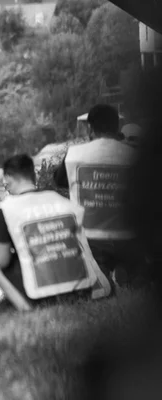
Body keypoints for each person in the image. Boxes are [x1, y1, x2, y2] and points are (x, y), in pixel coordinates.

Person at [0, 154, 111, 311]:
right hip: (83, 290)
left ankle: (26, 309)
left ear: (8, 177)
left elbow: (2, 260)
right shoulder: (61, 200)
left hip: (42, 296)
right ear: (33, 176)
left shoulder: (7, 209)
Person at [53, 104, 143, 287]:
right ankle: (125, 273)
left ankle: (102, 274)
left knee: (93, 266)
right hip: (129, 239)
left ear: (90, 128)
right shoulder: (135, 156)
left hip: (89, 239)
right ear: (117, 127)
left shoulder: (73, 155)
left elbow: (59, 180)